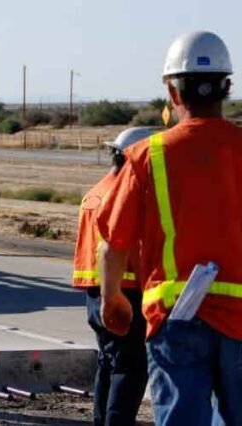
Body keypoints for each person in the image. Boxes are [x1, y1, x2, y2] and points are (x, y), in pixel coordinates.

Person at [97, 31, 242, 425]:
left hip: (176, 320)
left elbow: (113, 242)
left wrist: (112, 299)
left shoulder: (147, 156)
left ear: (173, 93)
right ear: (226, 88)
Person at [72, 127, 154, 426]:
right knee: (131, 368)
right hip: (123, 292)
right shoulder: (125, 197)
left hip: (95, 293)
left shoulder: (95, 191)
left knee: (109, 363)